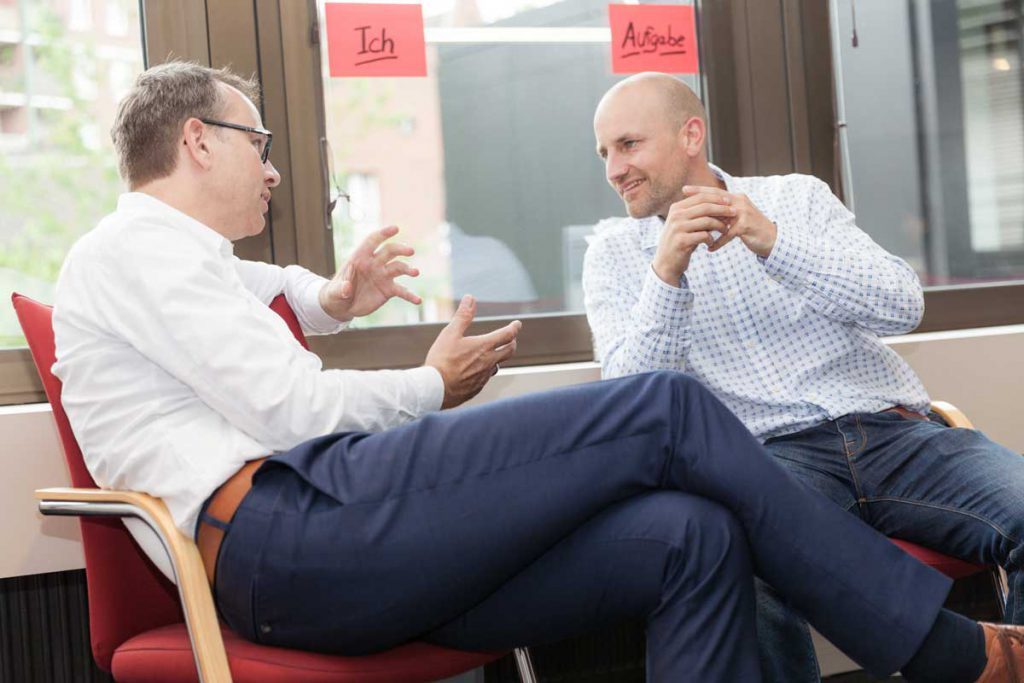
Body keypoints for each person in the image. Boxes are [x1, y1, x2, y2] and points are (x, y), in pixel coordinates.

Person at [51, 61, 1023, 683]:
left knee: (691, 532)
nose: (271, 168)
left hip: (344, 541)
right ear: (196, 140)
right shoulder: (130, 252)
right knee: (665, 408)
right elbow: (294, 408)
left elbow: (276, 290)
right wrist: (431, 383)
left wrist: (332, 298)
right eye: (258, 143)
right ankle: (944, 651)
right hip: (290, 530)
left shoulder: (188, 262)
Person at [585, 71, 1024, 680]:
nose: (613, 169)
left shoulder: (796, 198)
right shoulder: (612, 253)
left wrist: (772, 242)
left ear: (691, 134)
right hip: (769, 466)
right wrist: (666, 276)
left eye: (628, 145)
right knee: (739, 576)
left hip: (898, 434)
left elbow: (902, 304)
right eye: (604, 152)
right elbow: (631, 404)